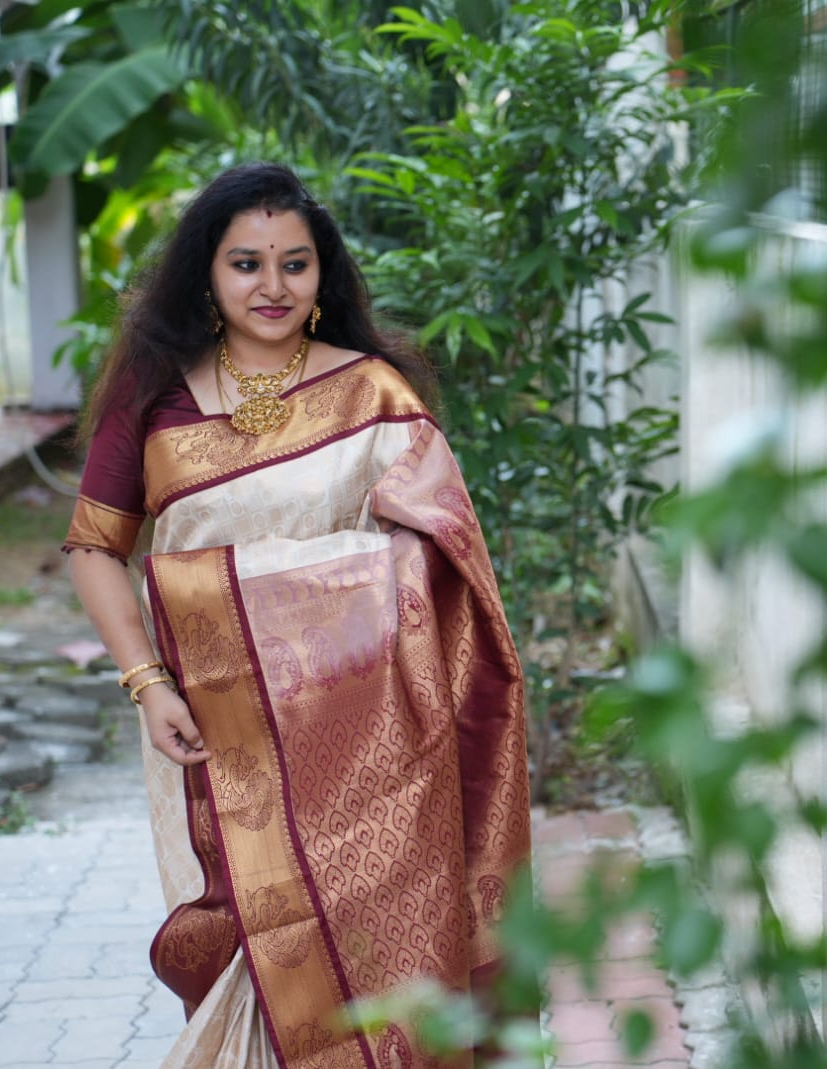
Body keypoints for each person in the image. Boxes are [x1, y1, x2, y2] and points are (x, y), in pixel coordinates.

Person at [64, 162, 532, 1069]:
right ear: (207, 274)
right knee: (263, 949)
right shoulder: (154, 399)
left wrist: (276, 595)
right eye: (246, 264)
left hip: (382, 742)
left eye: (295, 264)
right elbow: (94, 547)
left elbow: (445, 565)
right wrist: (146, 682)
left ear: (324, 277)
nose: (271, 287)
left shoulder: (375, 395)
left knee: (393, 954)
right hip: (222, 735)